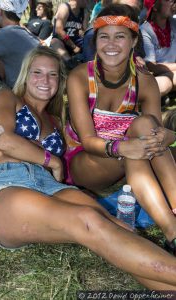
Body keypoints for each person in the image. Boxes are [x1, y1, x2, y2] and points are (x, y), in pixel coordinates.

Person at [0, 45, 176, 290]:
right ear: (25, 75)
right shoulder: (7, 97)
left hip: (49, 187)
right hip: (5, 183)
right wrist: (53, 161)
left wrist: (132, 69)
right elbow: (4, 140)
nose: (44, 80)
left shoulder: (57, 120)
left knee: (122, 228)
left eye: (52, 75)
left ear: (60, 81)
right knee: (88, 219)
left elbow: (102, 119)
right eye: (37, 72)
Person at [64, 4, 176, 253]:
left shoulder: (145, 82)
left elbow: (155, 137)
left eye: (120, 36)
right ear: (96, 39)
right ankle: (173, 231)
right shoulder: (81, 77)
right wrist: (124, 146)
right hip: (86, 161)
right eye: (104, 36)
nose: (111, 44)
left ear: (134, 40)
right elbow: (88, 140)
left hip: (130, 158)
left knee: (146, 126)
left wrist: (170, 136)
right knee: (134, 149)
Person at [140, 0, 176, 97]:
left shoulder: (173, 23)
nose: (173, 2)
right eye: (168, 0)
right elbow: (152, 66)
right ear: (155, 7)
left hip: (171, 72)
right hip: (155, 76)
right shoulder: (145, 30)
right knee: (165, 84)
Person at [51, 0, 89, 66]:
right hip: (63, 41)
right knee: (55, 42)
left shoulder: (85, 12)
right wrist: (74, 47)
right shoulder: (64, 7)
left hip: (77, 42)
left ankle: (91, 69)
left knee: (89, 42)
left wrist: (83, 32)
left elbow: (84, 31)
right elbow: (59, 30)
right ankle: (70, 63)